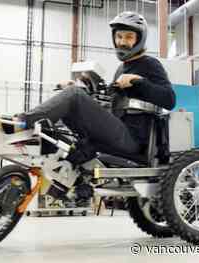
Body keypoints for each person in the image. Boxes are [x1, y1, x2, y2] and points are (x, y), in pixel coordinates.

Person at [16, 11, 176, 166]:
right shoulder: (121, 69)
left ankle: (22, 123)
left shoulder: (150, 64)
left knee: (74, 95)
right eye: (119, 36)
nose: (122, 42)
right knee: (72, 98)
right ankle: (40, 135)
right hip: (117, 132)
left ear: (139, 40)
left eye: (129, 37)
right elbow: (108, 101)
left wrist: (139, 81)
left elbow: (169, 99)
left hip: (132, 139)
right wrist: (83, 90)